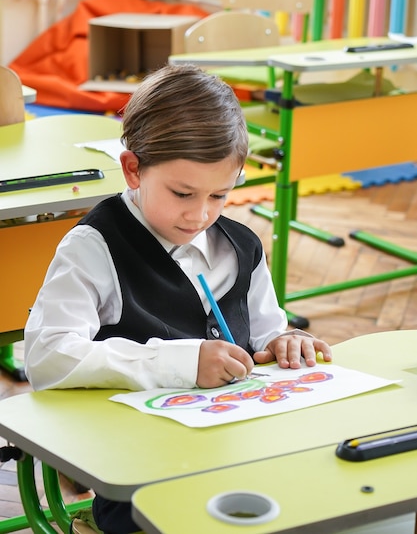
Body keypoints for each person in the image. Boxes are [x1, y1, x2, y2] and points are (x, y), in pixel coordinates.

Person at [24, 64, 332, 534]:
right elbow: (47, 357)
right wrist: (181, 363)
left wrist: (287, 339)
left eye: (220, 195)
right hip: (138, 476)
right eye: (183, 193)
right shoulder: (94, 246)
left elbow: (269, 329)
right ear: (133, 169)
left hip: (237, 451)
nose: (200, 214)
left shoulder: (242, 247)